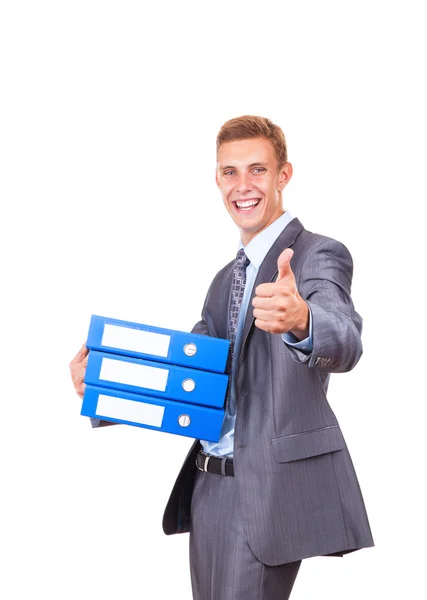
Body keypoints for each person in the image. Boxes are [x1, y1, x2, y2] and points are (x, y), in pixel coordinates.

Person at [70, 115, 374, 599]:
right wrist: (103, 385)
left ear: (283, 175)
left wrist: (302, 319)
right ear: (217, 179)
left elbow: (345, 337)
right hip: (208, 489)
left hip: (265, 496)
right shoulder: (223, 281)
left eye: (257, 169)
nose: (243, 185)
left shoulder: (317, 255)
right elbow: (190, 374)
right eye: (230, 172)